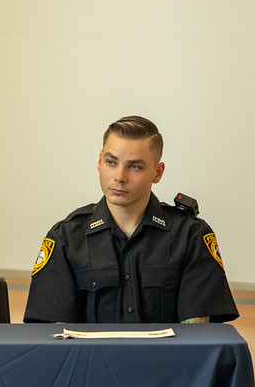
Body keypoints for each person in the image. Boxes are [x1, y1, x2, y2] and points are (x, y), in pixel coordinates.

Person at [24, 116, 238, 324]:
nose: (119, 176)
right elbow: (53, 340)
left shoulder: (190, 236)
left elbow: (197, 338)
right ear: (99, 161)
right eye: (111, 162)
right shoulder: (67, 237)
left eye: (134, 166)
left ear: (158, 172)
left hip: (165, 361)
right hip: (90, 361)